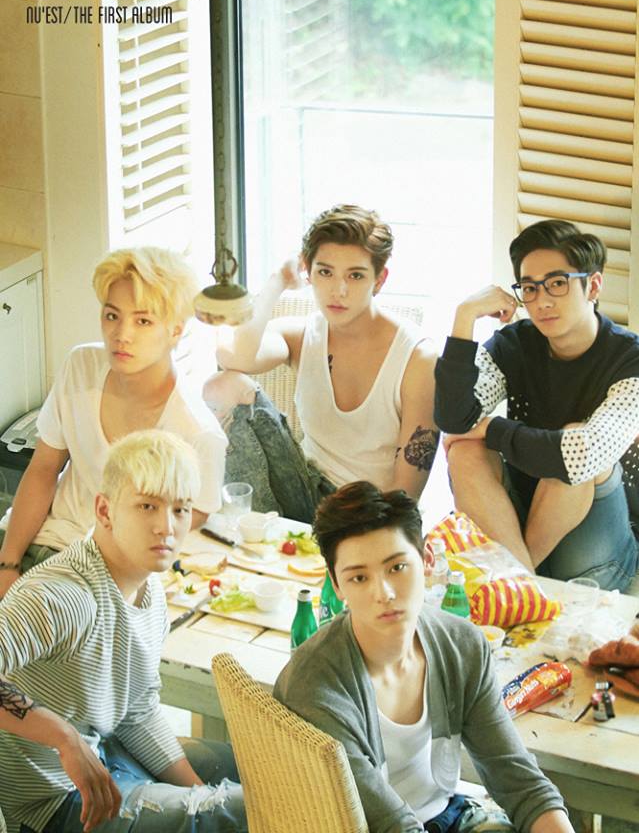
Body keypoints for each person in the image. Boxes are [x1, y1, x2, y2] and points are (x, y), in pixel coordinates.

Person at [274, 481, 573, 833]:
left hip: (449, 815)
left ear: (428, 560)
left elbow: (518, 780)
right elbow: (386, 822)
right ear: (336, 586)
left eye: (397, 567)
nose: (383, 593)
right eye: (359, 578)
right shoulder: (314, 685)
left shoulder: (462, 645)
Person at [0, 429, 246, 833]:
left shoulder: (151, 593)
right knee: (242, 811)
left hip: (110, 757)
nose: (166, 527)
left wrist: (200, 792)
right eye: (147, 506)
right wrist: (63, 737)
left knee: (258, 768)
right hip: (52, 802)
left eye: (180, 509)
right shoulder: (63, 595)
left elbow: (137, 712)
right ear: (105, 510)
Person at [0, 247, 227, 598]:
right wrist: (8, 564)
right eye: (112, 316)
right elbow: (43, 468)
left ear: (175, 331)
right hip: (34, 539)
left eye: (143, 321)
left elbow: (189, 520)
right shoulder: (81, 366)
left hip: (101, 576)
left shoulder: (197, 432)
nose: (122, 334)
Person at [434, 219, 639, 591]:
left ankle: (515, 583)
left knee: (573, 443)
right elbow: (453, 419)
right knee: (464, 451)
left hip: (598, 555)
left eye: (557, 283)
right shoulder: (515, 344)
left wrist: (493, 429)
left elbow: (582, 456)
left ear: (593, 286)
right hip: (521, 532)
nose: (542, 301)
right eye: (530, 288)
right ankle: (525, 586)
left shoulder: (631, 360)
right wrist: (464, 317)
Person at [207, 204, 439, 520]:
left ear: (379, 279)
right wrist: (278, 281)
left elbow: (406, 493)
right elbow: (234, 357)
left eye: (355, 276)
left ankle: (277, 540)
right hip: (305, 490)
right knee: (222, 387)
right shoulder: (304, 335)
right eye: (325, 272)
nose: (337, 291)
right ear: (309, 270)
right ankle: (258, 533)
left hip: (372, 510)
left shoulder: (417, 358)